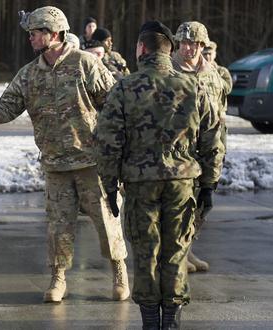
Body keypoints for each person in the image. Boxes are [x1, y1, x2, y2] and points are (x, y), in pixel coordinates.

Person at [0, 6, 130, 303]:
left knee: (106, 220)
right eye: (29, 33)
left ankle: (119, 271)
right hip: (55, 164)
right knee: (58, 225)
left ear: (54, 34)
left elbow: (114, 102)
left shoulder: (85, 64)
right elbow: (8, 107)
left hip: (91, 162)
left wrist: (114, 147)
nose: (30, 38)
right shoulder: (29, 74)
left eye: (35, 33)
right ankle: (58, 278)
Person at [96, 20, 225, 329]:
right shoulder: (194, 86)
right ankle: (171, 322)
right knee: (176, 254)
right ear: (170, 50)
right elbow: (212, 139)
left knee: (146, 254)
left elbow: (107, 140)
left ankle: (151, 322)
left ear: (142, 49)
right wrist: (208, 185)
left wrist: (110, 185)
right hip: (182, 185)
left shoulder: (125, 87)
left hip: (141, 186)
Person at [172, 21, 229, 273]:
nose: (188, 48)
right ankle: (178, 255)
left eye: (194, 43)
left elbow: (218, 116)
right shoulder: (170, 72)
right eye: (184, 43)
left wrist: (215, 162)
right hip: (179, 154)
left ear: (202, 45)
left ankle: (187, 249)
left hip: (209, 150)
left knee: (202, 206)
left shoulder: (212, 74)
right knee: (179, 209)